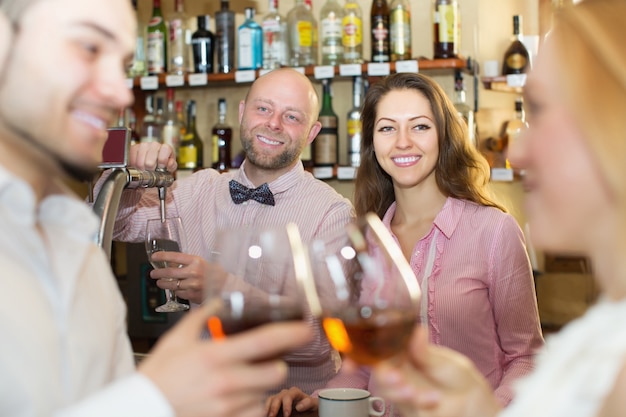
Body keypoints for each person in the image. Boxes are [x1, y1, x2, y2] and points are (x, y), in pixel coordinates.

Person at [0, 0, 315, 416]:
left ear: (311, 133)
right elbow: (125, 224)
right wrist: (154, 396)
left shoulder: (74, 245)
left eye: (124, 63)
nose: (119, 92)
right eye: (89, 48)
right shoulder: (201, 188)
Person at [370, 1, 626, 416]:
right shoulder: (599, 343)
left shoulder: (612, 365)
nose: (517, 151)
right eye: (387, 129)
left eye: (539, 111)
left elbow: (523, 354)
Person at [266, 71, 544, 417]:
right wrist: (321, 398)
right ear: (371, 143)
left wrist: (488, 410)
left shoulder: (494, 231)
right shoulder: (365, 241)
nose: (402, 142)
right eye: (387, 128)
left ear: (444, 136)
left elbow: (526, 359)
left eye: (420, 126)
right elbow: (362, 367)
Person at [103, 67, 355, 395]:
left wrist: (224, 290)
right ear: (242, 112)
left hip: (291, 405)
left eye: (292, 116)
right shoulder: (197, 190)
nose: (274, 123)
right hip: (208, 401)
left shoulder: (333, 213)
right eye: (263, 108)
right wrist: (130, 175)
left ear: (311, 133)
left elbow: (320, 338)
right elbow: (115, 225)